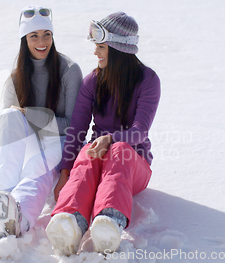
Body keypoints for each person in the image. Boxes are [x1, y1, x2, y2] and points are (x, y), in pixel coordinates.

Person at [0, 5, 82, 239]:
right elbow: (8, 125)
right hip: (31, 140)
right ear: (25, 39)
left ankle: (18, 217)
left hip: (61, 142)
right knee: (10, 115)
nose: (41, 41)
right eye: (34, 36)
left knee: (36, 166)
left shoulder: (69, 71)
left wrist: (29, 114)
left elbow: (73, 124)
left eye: (47, 35)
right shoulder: (16, 77)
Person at [45, 12, 161, 255]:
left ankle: (109, 223)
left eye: (101, 47)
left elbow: (140, 131)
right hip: (98, 162)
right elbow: (77, 130)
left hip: (134, 166)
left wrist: (111, 138)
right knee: (88, 150)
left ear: (118, 49)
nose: (95, 53)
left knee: (118, 149)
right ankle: (69, 221)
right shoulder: (93, 81)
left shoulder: (148, 80)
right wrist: (66, 171)